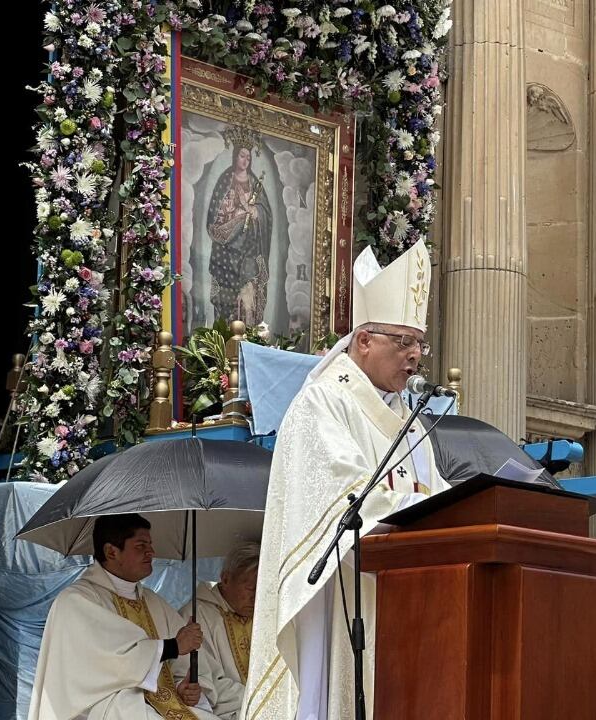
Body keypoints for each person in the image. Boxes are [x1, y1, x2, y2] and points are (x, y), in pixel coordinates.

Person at [242, 240, 449, 720]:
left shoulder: (411, 421)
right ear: (364, 340)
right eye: (403, 342)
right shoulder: (323, 402)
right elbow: (342, 499)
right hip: (340, 598)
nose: (415, 356)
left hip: (404, 595)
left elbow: (437, 495)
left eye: (419, 344)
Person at [28, 514, 219, 720]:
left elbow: (179, 667)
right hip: (105, 706)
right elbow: (110, 664)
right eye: (141, 546)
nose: (151, 552)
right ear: (111, 552)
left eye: (150, 544)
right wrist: (173, 646)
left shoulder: (153, 602)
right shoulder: (77, 601)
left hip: (161, 701)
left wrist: (184, 687)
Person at [181, 541, 260, 719]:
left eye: (262, 588)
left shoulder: (264, 614)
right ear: (225, 579)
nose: (256, 596)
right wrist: (259, 699)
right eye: (250, 588)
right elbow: (207, 681)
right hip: (229, 710)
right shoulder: (196, 616)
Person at [207, 129, 272, 325]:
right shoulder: (225, 180)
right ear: (235, 156)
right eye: (242, 156)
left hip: (249, 250)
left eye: (248, 158)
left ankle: (248, 331)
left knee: (247, 298)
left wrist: (255, 211)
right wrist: (235, 215)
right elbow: (214, 214)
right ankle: (225, 333)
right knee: (227, 299)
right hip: (227, 251)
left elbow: (266, 214)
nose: (245, 161)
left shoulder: (255, 184)